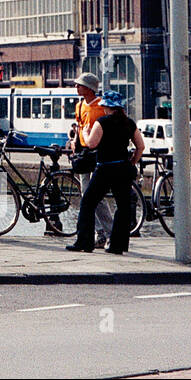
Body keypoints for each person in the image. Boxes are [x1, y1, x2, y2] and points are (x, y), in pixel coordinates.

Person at [66, 90, 145, 254]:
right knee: (122, 207)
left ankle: (84, 242)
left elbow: (92, 144)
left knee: (88, 202)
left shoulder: (102, 122)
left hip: (105, 168)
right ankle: (118, 245)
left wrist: (86, 134)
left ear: (107, 107)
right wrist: (131, 162)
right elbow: (140, 146)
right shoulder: (129, 123)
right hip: (122, 168)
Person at [69, 72, 112, 248]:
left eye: (79, 85)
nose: (76, 88)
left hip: (98, 153)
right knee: (86, 194)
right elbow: (80, 125)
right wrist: (74, 140)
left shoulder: (101, 107)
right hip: (83, 153)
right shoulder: (80, 106)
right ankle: (102, 232)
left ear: (89, 89)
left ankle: (108, 232)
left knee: (94, 195)